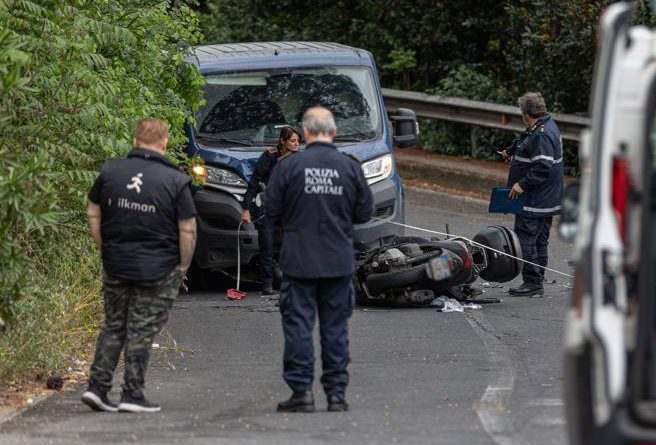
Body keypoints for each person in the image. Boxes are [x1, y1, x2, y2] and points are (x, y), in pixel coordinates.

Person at [81, 118, 197, 413]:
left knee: (113, 325)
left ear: (135, 140)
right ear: (164, 144)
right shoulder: (175, 180)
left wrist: (103, 245)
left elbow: (93, 209)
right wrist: (183, 264)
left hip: (116, 261)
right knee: (142, 328)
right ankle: (132, 394)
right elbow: (187, 228)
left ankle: (97, 388)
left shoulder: (111, 171)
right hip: (157, 268)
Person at [264, 107, 373, 413]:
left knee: (298, 326)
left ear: (306, 132)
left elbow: (270, 209)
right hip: (337, 260)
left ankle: (302, 392)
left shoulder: (289, 166)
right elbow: (364, 213)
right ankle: (336, 394)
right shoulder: (349, 167)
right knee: (335, 328)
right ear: (333, 132)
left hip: (298, 260)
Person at [498, 92, 564, 297]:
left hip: (536, 200)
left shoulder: (542, 133)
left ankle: (533, 283)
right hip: (546, 199)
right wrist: (511, 151)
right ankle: (536, 279)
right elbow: (527, 143)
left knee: (527, 240)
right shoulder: (542, 127)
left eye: (521, 112)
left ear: (527, 113)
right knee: (539, 240)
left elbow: (542, 166)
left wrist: (521, 185)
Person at [241, 127, 301, 296]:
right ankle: (267, 285)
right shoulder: (270, 156)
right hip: (267, 207)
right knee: (266, 245)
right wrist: (246, 209)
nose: (296, 144)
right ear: (283, 141)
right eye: (292, 141)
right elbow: (254, 182)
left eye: (298, 141)